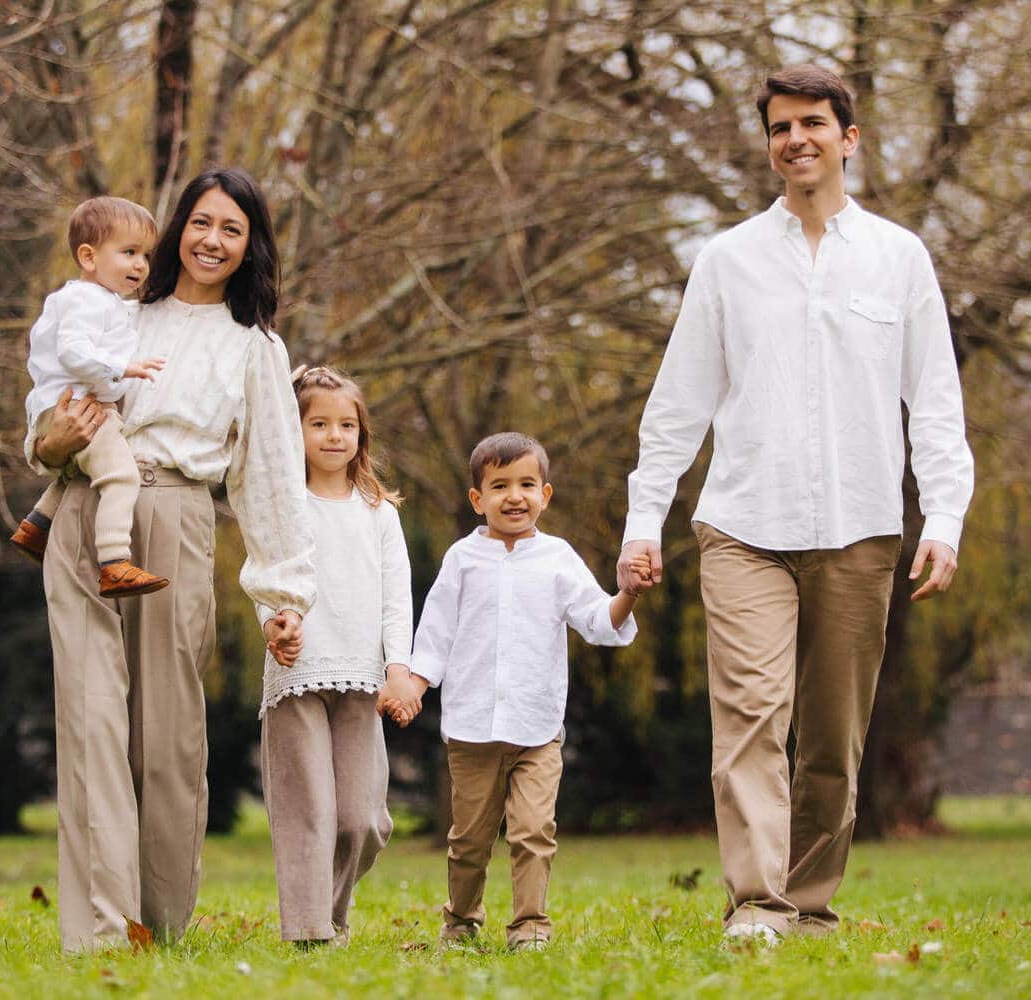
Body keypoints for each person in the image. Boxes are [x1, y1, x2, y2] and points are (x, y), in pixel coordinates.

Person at [617, 64, 974, 946]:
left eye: (812, 123)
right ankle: (756, 904)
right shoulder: (728, 261)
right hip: (744, 525)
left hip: (861, 530)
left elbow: (934, 401)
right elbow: (677, 405)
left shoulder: (898, 258)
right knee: (750, 719)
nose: (795, 139)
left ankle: (808, 905)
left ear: (848, 138)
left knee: (831, 741)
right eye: (780, 127)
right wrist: (642, 520)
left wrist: (945, 517)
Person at [27, 168, 316, 952]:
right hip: (87, 509)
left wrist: (283, 597)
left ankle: (157, 923)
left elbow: (270, 478)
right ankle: (101, 930)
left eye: (232, 229)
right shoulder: (118, 311)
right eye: (200, 222)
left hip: (179, 517)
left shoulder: (255, 347)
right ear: (176, 228)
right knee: (91, 722)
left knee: (168, 737)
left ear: (251, 246)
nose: (212, 241)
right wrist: (44, 444)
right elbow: (52, 400)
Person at [398, 432, 651, 951]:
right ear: (478, 499)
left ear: (545, 494)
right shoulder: (462, 559)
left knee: (534, 831)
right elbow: (436, 633)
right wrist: (415, 685)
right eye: (500, 486)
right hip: (473, 730)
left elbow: (597, 619)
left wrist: (627, 593)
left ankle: (530, 927)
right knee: (469, 840)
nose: (515, 497)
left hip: (537, 730)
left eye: (527, 485)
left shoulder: (557, 558)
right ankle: (461, 922)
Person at [257, 364, 419, 947]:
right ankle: (310, 933)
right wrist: (275, 624)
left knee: (360, 820)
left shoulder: (379, 513)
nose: (333, 435)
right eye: (318, 423)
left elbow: (397, 598)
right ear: (293, 431)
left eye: (346, 424)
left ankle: (330, 913)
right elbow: (266, 574)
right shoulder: (281, 506)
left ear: (361, 434)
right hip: (297, 673)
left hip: (362, 680)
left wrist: (398, 669)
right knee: (309, 813)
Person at [10, 196, 170, 597]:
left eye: (146, 255)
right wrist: (123, 367)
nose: (140, 265)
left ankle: (36, 526)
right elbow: (73, 352)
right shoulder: (85, 300)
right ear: (88, 256)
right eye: (129, 252)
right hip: (76, 405)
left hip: (68, 404)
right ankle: (114, 562)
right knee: (121, 476)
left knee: (81, 468)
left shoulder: (100, 300)